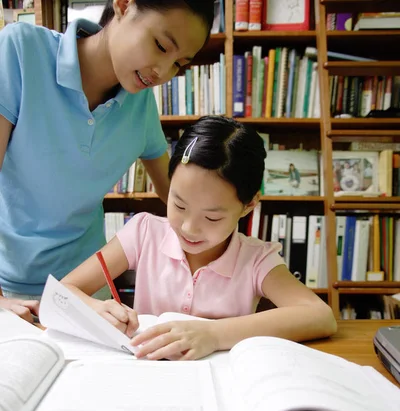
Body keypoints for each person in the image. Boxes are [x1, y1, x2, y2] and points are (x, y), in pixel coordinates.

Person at [0, 0, 215, 322]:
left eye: (179, 64)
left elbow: (173, 195)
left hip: (85, 291)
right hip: (8, 286)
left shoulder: (140, 106)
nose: (162, 72)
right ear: (124, 6)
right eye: (160, 45)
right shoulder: (21, 50)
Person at [62, 116, 337, 360]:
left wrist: (215, 334)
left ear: (248, 206)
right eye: (179, 206)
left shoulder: (255, 259)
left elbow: (320, 316)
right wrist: (97, 308)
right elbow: (66, 289)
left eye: (212, 218)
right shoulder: (144, 232)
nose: (190, 228)